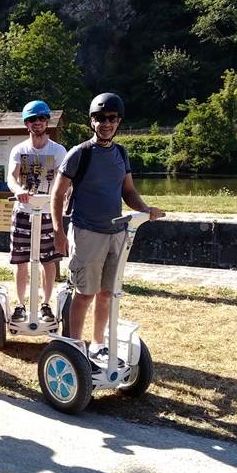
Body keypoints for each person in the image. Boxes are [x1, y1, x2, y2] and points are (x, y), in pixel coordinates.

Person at [51, 93, 164, 358]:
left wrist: (146, 210)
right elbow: (57, 195)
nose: (106, 123)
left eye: (112, 118)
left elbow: (129, 191)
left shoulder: (121, 153)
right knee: (84, 294)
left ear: (119, 121)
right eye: (101, 118)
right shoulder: (79, 153)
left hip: (117, 233)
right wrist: (58, 232)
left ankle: (98, 345)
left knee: (107, 294)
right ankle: (74, 349)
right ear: (92, 121)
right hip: (86, 232)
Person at [6, 100, 67, 323]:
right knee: (21, 260)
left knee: (48, 260)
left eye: (42, 118)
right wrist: (19, 189)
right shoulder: (19, 150)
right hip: (23, 211)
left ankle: (45, 303)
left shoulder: (58, 151)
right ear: (27, 124)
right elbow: (12, 176)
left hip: (49, 212)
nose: (38, 123)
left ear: (47, 121)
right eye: (33, 119)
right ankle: (20, 304)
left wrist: (64, 195)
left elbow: (64, 179)